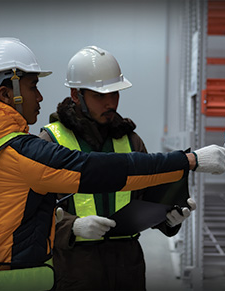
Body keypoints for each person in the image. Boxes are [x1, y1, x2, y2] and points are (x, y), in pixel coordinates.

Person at [0, 37, 225, 291]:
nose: (40, 96)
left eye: (115, 94)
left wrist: (165, 218)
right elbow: (92, 170)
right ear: (8, 93)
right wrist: (189, 160)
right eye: (33, 87)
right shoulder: (24, 151)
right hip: (54, 273)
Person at [38, 46, 196, 290]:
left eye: (115, 93)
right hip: (75, 269)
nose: (111, 102)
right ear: (75, 95)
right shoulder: (51, 143)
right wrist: (73, 227)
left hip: (127, 268)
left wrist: (170, 218)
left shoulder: (130, 141)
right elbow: (31, 213)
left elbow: (148, 199)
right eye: (100, 95)